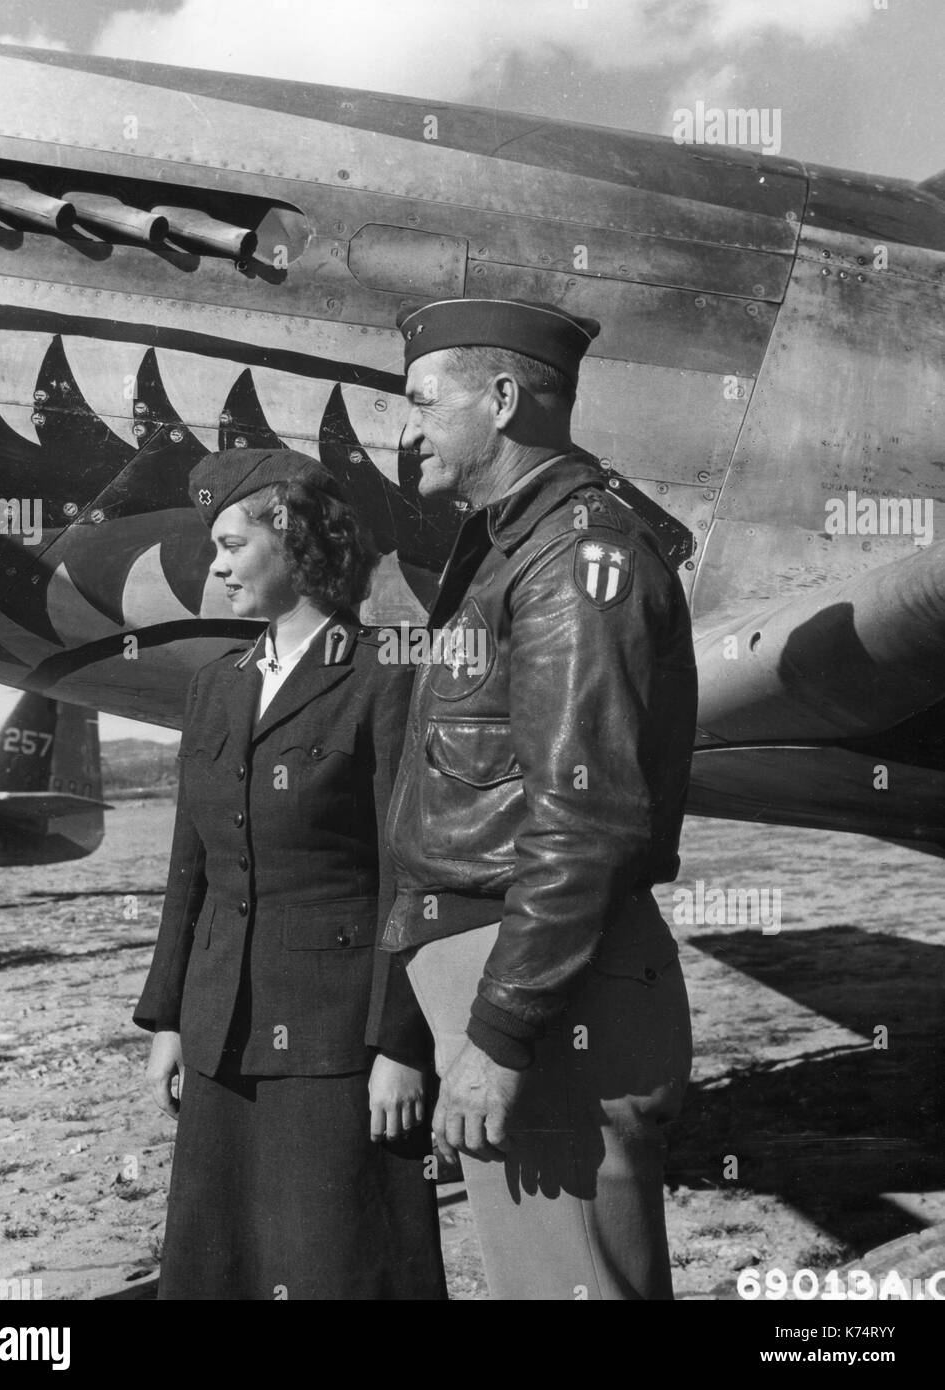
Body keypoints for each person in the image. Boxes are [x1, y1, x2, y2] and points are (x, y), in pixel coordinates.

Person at [380, 297, 697, 1300]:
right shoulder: (516, 546)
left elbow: (585, 818)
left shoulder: (573, 558)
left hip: (548, 1000)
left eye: (426, 402)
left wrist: (503, 1034)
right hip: (519, 982)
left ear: (504, 399)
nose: (406, 428)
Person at [133, 447, 447, 1301]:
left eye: (233, 544)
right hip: (222, 1033)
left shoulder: (386, 674)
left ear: (297, 539)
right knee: (223, 1267)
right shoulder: (215, 687)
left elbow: (409, 877)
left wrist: (402, 1046)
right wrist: (170, 1020)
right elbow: (188, 870)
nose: (217, 565)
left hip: (339, 1044)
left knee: (340, 1268)